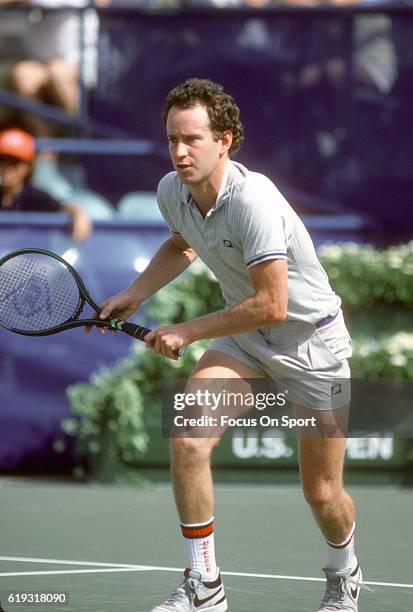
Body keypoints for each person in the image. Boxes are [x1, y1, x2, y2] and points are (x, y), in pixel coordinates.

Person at [89, 78, 363, 611]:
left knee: (323, 494)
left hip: (312, 347)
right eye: (172, 139)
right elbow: (181, 246)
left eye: (192, 139)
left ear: (226, 140)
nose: (180, 151)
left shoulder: (254, 201)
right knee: (189, 439)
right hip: (245, 343)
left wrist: (188, 330)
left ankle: (344, 572)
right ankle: (204, 586)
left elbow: (272, 304)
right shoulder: (174, 190)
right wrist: (133, 295)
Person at [0, 127, 92, 241]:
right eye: (2, 160)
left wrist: (78, 214)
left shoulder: (35, 196)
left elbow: (64, 208)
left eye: (14, 162)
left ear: (27, 167)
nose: (7, 167)